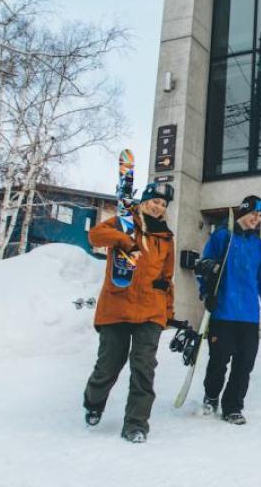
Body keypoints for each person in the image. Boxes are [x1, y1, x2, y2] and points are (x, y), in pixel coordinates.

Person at [82, 182, 178, 443]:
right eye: (155, 201)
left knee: (143, 369)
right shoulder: (124, 222)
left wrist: (167, 312)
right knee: (108, 366)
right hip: (117, 306)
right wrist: (125, 240)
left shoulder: (166, 238)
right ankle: (93, 402)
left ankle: (136, 424)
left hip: (151, 311)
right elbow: (95, 236)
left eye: (163, 204)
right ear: (145, 201)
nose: (158, 207)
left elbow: (167, 277)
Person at [196, 195, 261, 425]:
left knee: (244, 364)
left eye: (260, 216)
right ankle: (211, 395)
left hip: (248, 317)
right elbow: (202, 268)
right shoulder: (222, 236)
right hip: (223, 313)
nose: (257, 218)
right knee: (218, 361)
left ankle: (233, 406)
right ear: (243, 211)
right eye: (254, 213)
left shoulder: (257, 245)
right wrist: (206, 294)